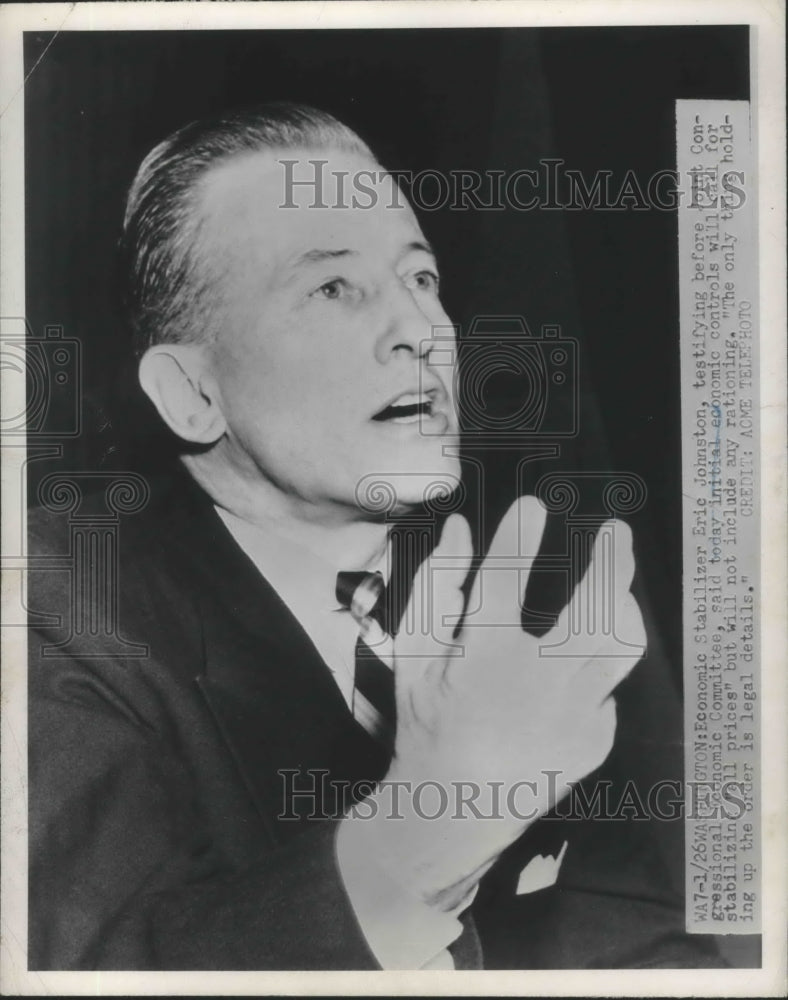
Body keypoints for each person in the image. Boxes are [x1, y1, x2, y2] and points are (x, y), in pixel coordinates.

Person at [28, 103, 723, 970]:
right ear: (191, 395)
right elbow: (108, 971)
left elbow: (631, 940)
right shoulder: (54, 611)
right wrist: (432, 825)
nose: (422, 332)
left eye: (421, 279)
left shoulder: (520, 589)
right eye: (333, 288)